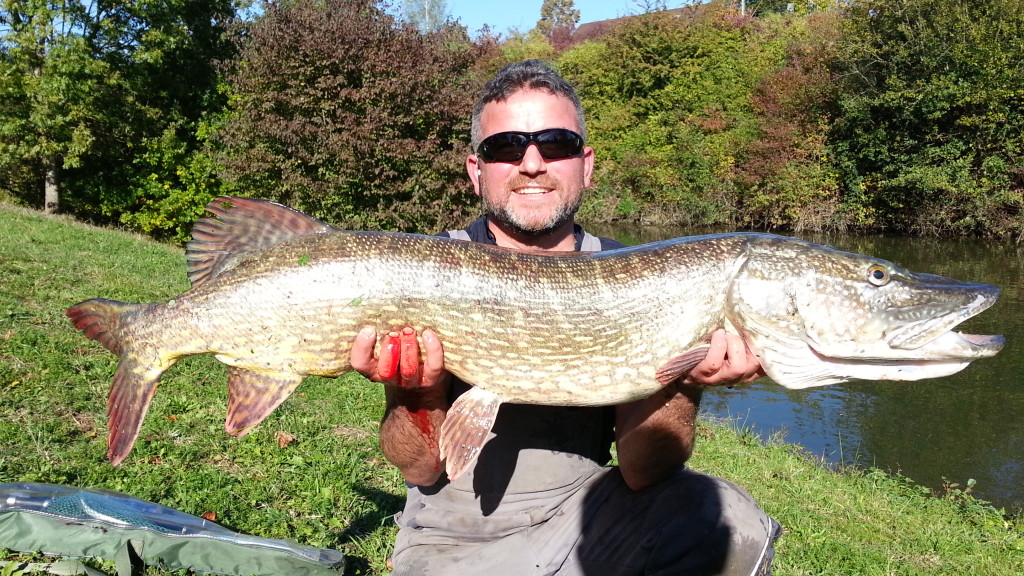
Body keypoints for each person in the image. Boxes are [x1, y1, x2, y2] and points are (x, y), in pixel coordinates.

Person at [349, 60, 781, 575]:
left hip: (586, 516)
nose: (532, 163)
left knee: (733, 525)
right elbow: (420, 467)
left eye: (555, 144)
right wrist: (417, 392)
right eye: (506, 147)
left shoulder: (638, 275)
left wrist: (684, 381)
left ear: (587, 164)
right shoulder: (429, 268)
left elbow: (644, 471)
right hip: (452, 536)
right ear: (476, 170)